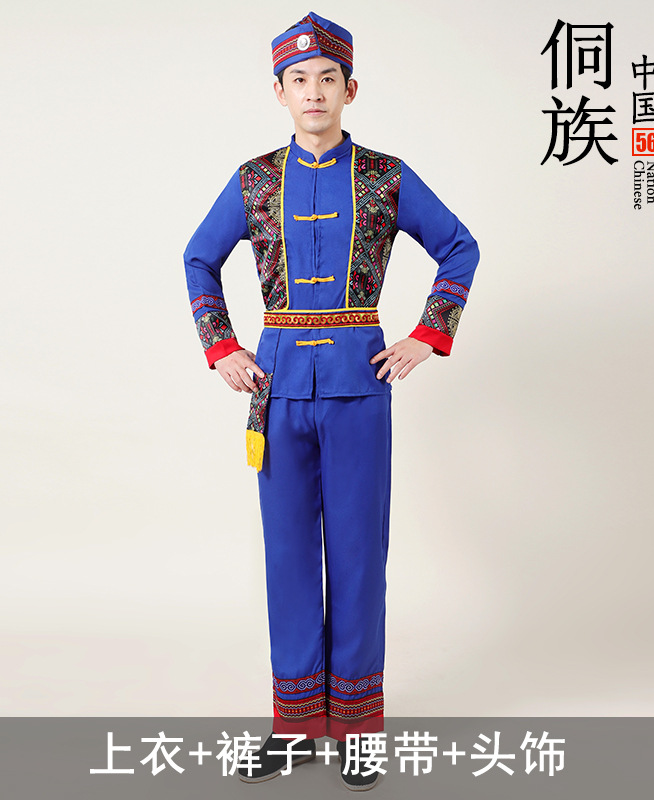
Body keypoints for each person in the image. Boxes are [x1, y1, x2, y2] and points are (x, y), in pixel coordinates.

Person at [183, 11, 479, 790]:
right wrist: (222, 346)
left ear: (351, 89)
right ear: (279, 93)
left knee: (357, 556)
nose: (313, 91)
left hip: (360, 390)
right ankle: (294, 727)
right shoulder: (253, 180)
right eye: (298, 80)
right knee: (286, 558)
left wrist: (428, 334)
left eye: (327, 78)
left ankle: (357, 729)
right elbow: (198, 258)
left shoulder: (386, 176)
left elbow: (460, 247)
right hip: (277, 390)